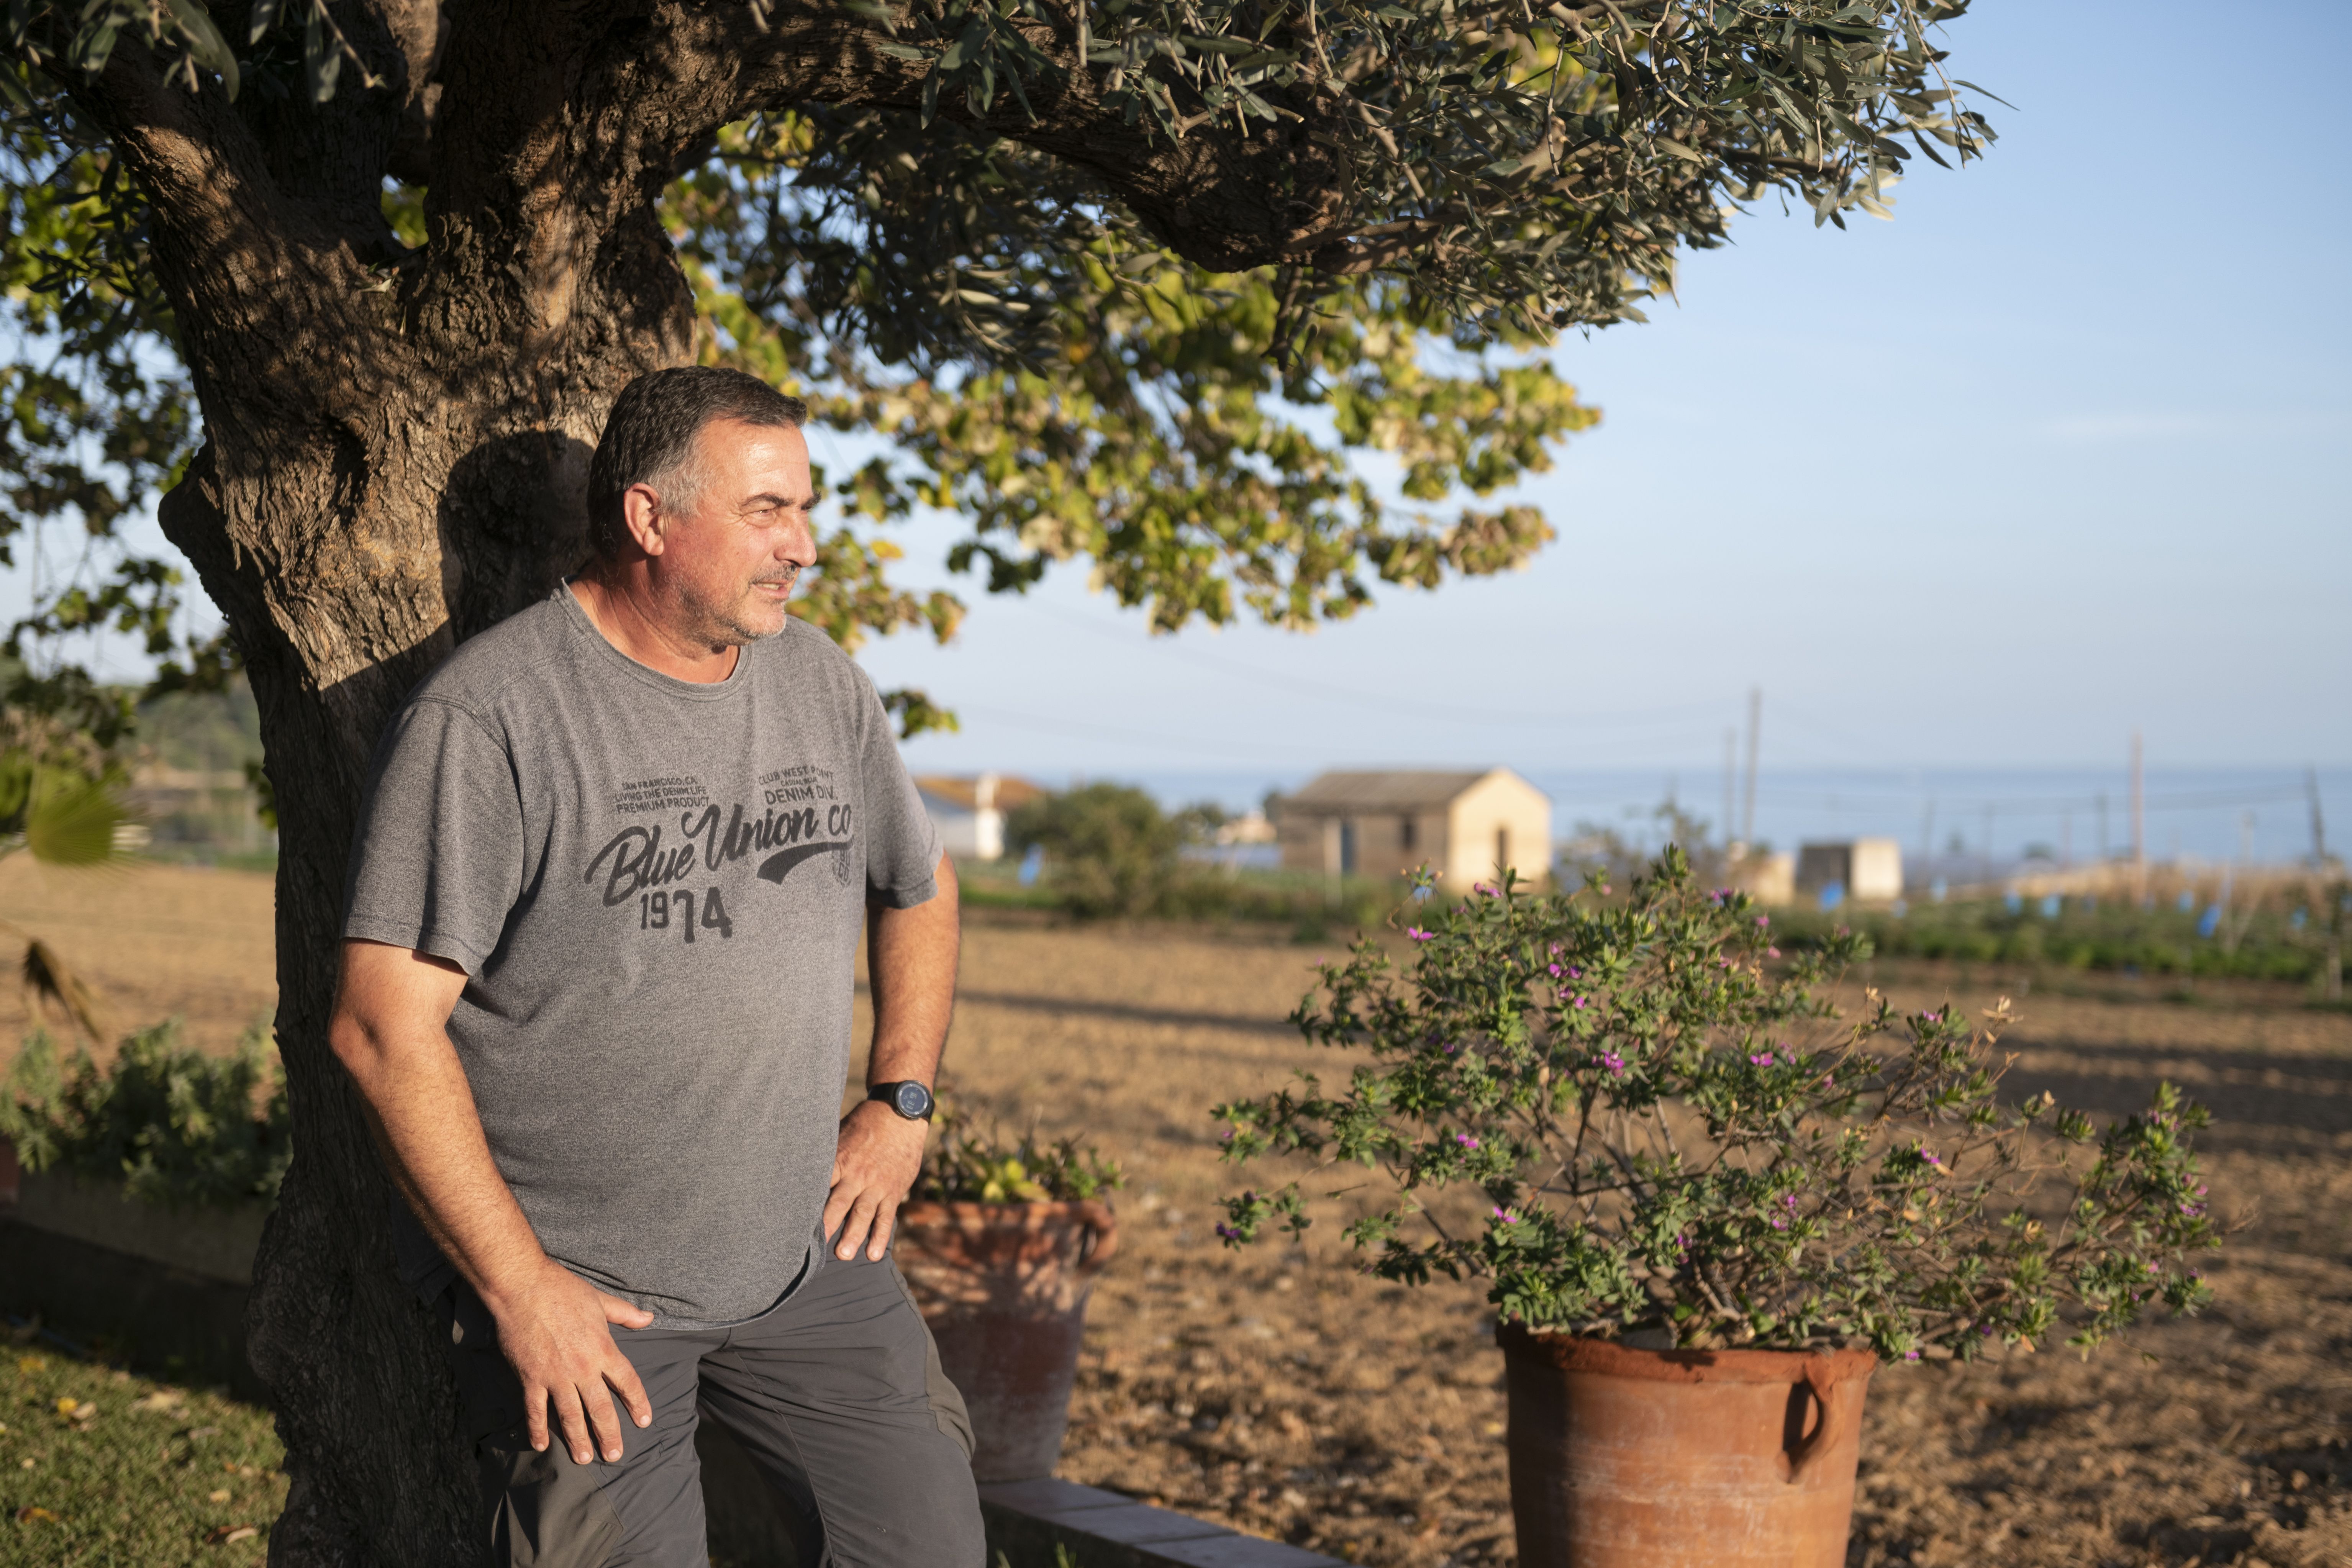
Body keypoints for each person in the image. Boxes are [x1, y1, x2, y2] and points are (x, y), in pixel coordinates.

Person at [330, 365, 985, 1566]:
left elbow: (921, 884)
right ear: (648, 519)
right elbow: (381, 1028)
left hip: (807, 1263)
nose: (804, 546)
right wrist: (522, 1291)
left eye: (806, 508)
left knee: (931, 1550)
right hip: (592, 1297)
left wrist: (901, 1103)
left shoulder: (817, 681)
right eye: (767, 512)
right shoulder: (494, 720)